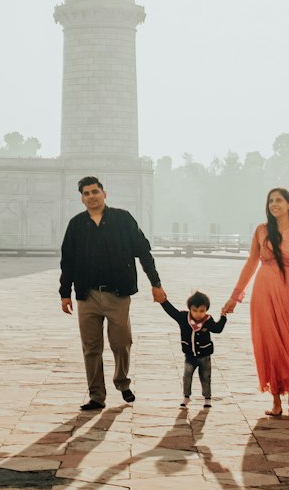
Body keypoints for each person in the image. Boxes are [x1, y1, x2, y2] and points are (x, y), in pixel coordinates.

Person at [60, 175, 166, 411]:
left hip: (117, 294)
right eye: (86, 194)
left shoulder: (122, 219)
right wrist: (64, 292)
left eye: (95, 192)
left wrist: (155, 283)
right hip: (86, 295)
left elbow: (143, 251)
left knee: (121, 342)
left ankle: (122, 381)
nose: (91, 197)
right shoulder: (76, 225)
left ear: (104, 193)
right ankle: (96, 395)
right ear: (82, 199)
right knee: (91, 348)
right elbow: (68, 261)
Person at [221, 187, 289, 417]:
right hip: (264, 293)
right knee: (270, 343)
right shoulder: (262, 230)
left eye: (279, 200)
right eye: (270, 201)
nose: (274, 204)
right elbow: (251, 263)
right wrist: (234, 297)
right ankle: (277, 397)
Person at [160, 289, 227, 408]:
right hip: (189, 356)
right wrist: (163, 301)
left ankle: (207, 398)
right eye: (195, 310)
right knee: (187, 376)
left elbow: (218, 329)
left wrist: (223, 316)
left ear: (206, 310)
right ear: (190, 309)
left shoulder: (207, 321)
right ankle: (186, 397)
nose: (198, 314)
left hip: (205, 357)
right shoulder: (183, 318)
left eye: (202, 311)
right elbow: (172, 312)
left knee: (205, 377)